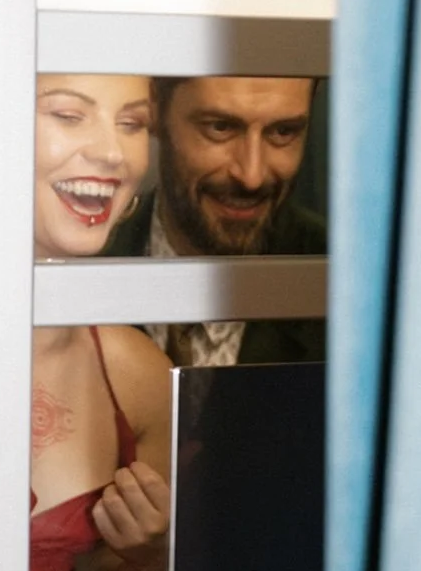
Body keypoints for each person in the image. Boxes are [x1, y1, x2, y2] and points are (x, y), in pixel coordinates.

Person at [27, 74, 256, 571]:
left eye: (132, 123)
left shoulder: (132, 368)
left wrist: (151, 555)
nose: (112, 151)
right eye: (68, 112)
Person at [106, 74, 327, 366]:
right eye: (220, 128)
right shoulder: (82, 272)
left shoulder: (351, 290)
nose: (252, 176)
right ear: (156, 108)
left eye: (283, 132)